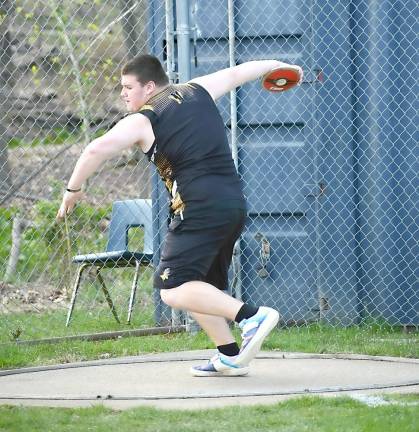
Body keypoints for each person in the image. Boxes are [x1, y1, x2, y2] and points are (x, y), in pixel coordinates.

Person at [57, 54, 303, 377]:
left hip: (197, 209)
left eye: (128, 87)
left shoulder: (144, 119)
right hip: (232, 204)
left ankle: (251, 317)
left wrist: (72, 190)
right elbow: (239, 72)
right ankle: (229, 354)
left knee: (171, 290)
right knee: (197, 286)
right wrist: (279, 66)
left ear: (148, 86)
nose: (123, 94)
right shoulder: (197, 89)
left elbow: (94, 150)